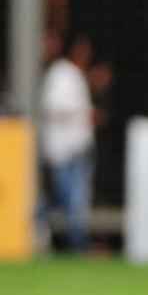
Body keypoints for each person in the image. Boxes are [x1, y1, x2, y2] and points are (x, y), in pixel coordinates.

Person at [39, 32, 96, 252]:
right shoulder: (63, 74)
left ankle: (72, 244)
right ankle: (73, 245)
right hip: (65, 150)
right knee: (69, 201)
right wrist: (82, 113)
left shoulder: (73, 74)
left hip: (75, 148)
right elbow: (54, 109)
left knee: (71, 202)